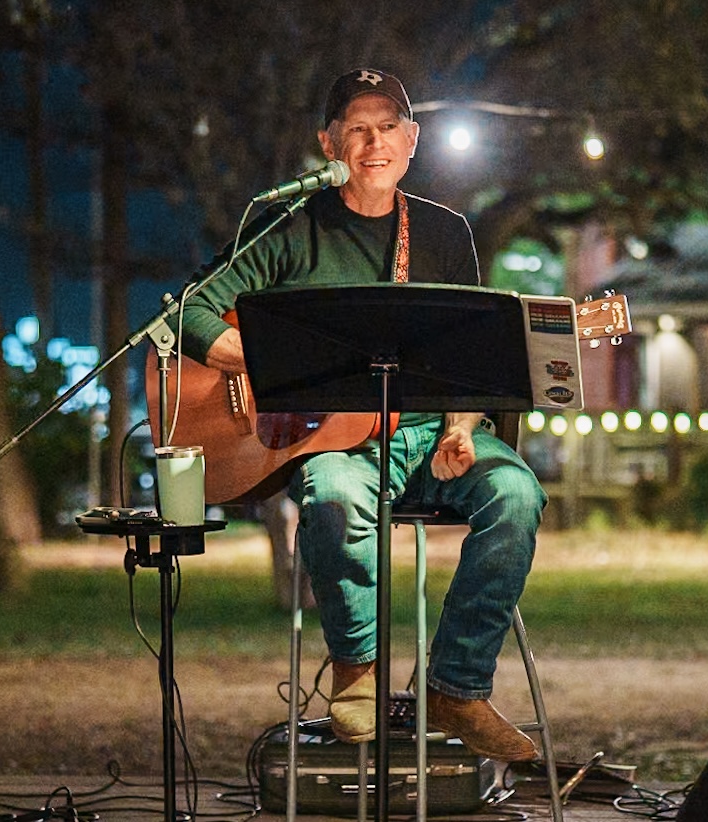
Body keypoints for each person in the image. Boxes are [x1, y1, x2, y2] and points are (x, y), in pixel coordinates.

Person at [179, 68, 546, 762]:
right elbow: (192, 312)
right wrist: (261, 368)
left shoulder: (442, 233)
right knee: (336, 498)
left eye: (387, 127)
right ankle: (356, 671)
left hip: (423, 434)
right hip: (334, 446)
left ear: (412, 140)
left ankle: (457, 690)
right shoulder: (286, 224)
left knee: (517, 494)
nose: (373, 141)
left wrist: (461, 428)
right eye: (356, 128)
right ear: (329, 142)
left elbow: (469, 355)